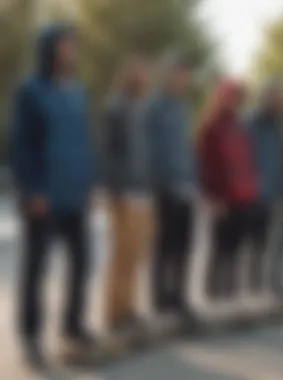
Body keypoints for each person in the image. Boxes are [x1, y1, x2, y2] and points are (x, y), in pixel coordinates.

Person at [10, 24, 95, 369]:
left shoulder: (76, 92)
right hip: (43, 197)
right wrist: (32, 190)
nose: (72, 50)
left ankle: (72, 326)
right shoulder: (30, 90)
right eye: (66, 45)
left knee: (82, 263)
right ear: (49, 49)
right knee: (37, 270)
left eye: (74, 44)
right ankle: (31, 339)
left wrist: (89, 185)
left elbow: (83, 143)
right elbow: (20, 146)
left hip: (74, 194)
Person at [198, 79, 261, 302]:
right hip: (222, 198)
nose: (232, 101)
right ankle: (213, 292)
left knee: (236, 247)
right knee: (220, 248)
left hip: (242, 196)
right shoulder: (211, 127)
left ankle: (230, 291)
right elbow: (206, 166)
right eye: (228, 96)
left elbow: (247, 161)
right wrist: (213, 197)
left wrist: (252, 189)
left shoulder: (240, 126)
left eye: (235, 97)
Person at [103, 56, 153, 335]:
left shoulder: (144, 108)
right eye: (138, 74)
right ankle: (114, 312)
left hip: (143, 192)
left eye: (145, 74)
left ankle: (129, 308)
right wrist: (113, 187)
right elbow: (108, 151)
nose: (142, 79)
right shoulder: (116, 107)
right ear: (128, 77)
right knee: (120, 254)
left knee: (136, 254)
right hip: (123, 192)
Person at [147, 52, 196, 321]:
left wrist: (192, 180)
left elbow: (186, 148)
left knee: (183, 245)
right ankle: (160, 299)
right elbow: (151, 149)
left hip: (185, 186)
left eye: (184, 74)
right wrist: (156, 184)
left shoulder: (183, 107)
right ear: (166, 76)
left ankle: (178, 296)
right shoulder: (155, 106)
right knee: (163, 246)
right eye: (176, 73)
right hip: (164, 188)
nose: (181, 79)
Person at [245, 80, 283, 296]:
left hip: (275, 192)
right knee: (254, 244)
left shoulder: (279, 125)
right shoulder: (249, 123)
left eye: (279, 99)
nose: (277, 102)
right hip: (253, 193)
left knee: (272, 242)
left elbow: (282, 160)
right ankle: (252, 287)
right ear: (263, 99)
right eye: (273, 98)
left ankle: (271, 284)